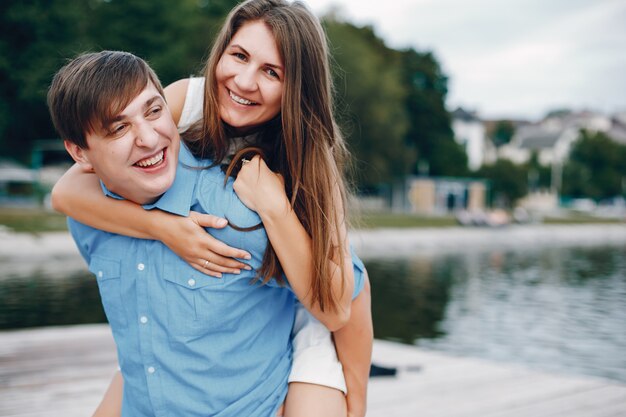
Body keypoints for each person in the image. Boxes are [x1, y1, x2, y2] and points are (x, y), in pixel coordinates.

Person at [51, 1, 372, 416]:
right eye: (238, 56)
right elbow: (69, 192)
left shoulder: (310, 165)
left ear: (296, 89)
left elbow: (344, 301)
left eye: (271, 72)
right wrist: (165, 228)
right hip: (219, 326)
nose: (244, 80)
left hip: (305, 304)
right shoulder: (188, 99)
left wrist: (274, 207)